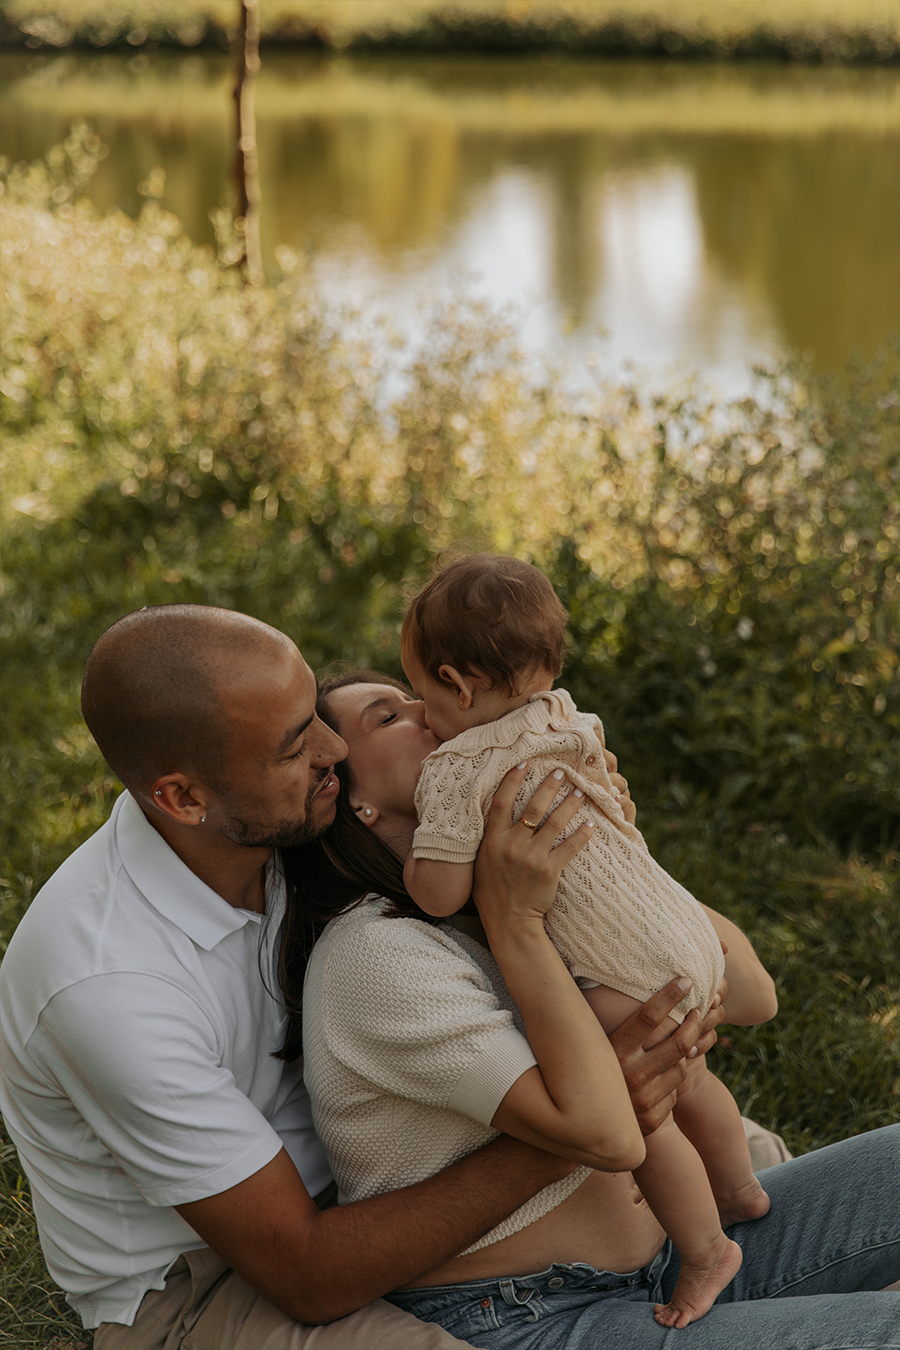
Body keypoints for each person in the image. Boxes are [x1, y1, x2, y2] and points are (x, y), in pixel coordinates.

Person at [0, 604, 721, 1350]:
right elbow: (306, 1272)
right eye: (292, 747)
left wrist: (607, 845)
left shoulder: (284, 830)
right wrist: (602, 1109)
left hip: (394, 1162)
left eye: (314, 711)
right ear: (183, 798)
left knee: (770, 1184)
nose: (334, 747)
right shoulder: (106, 985)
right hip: (207, 1283)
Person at [295, 669, 900, 1350]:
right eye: (387, 716)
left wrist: (616, 850)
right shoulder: (377, 953)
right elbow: (602, 1130)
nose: (425, 708)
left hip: (674, 1256)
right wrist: (518, 921)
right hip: (530, 1313)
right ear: (357, 805)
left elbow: (753, 993)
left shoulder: (513, 892)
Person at [398, 553, 772, 1327]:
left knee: (645, 1108)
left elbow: (439, 892)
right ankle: (739, 1186)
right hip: (686, 932)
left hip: (619, 968)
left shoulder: (459, 764)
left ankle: (706, 1249)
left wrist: (426, 852)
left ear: (459, 687)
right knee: (690, 1072)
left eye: (422, 696)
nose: (420, 714)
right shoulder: (567, 718)